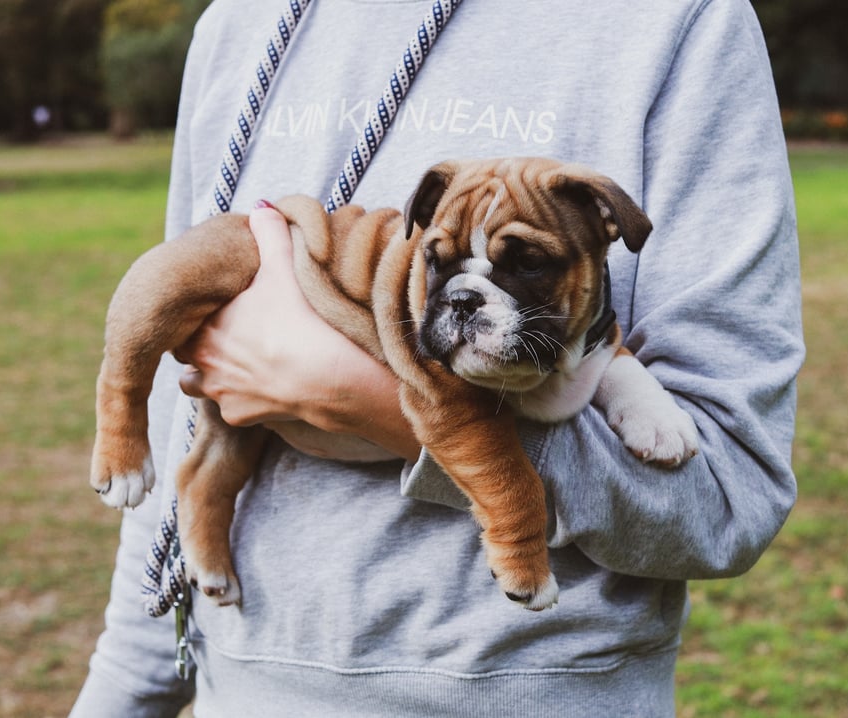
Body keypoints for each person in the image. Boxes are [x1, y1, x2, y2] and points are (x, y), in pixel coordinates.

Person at [70, 0, 804, 715]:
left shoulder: (675, 21)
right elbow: (172, 431)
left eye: (527, 265)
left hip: (535, 698)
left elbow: (729, 495)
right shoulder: (239, 24)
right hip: (247, 689)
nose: (470, 297)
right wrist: (126, 687)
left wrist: (356, 395)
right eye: (442, 265)